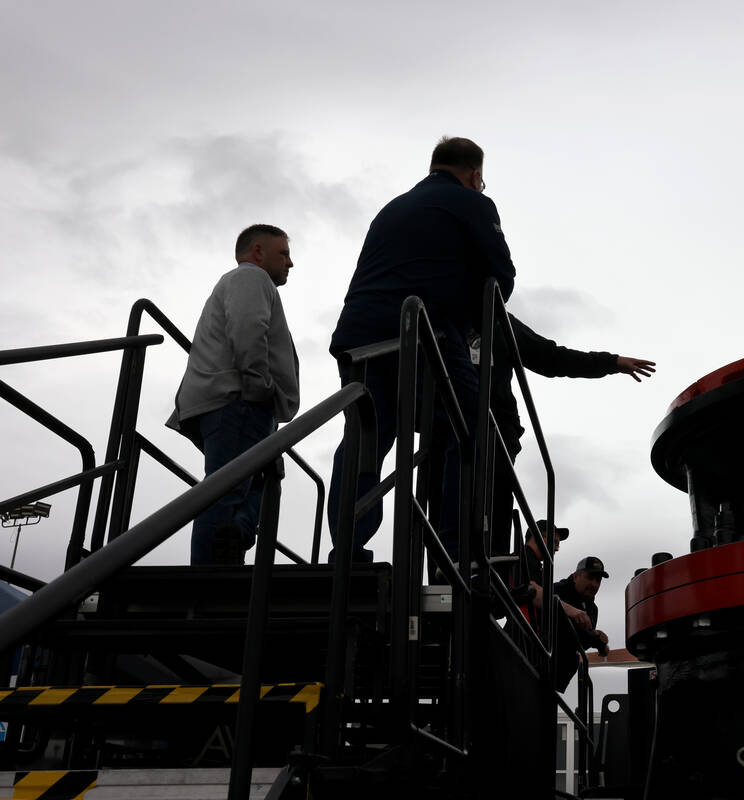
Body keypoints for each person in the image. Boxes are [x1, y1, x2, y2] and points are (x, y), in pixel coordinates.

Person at [327, 137, 515, 562]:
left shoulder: (392, 208)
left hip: (361, 337)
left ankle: (348, 549)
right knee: (470, 430)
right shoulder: (474, 203)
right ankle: (454, 551)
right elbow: (501, 279)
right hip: (424, 334)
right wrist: (471, 328)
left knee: (366, 437)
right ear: (475, 175)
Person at [167, 224, 299, 565]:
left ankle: (236, 537)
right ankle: (209, 587)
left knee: (257, 481)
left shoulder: (241, 282)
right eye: (283, 253)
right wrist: (261, 388)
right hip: (239, 401)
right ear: (258, 252)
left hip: (237, 403)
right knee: (226, 492)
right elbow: (248, 329)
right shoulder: (251, 278)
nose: (290, 262)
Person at [485, 315, 655, 553]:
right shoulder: (436, 309)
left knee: (493, 502)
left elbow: (551, 357)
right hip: (447, 425)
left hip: (495, 434)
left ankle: (489, 570)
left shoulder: (499, 320)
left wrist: (611, 363)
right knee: (445, 495)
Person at [553, 556, 611, 658]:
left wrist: (598, 639)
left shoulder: (593, 609)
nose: (594, 584)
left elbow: (583, 643)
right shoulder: (555, 591)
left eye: (598, 580)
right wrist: (596, 638)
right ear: (575, 577)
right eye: (590, 577)